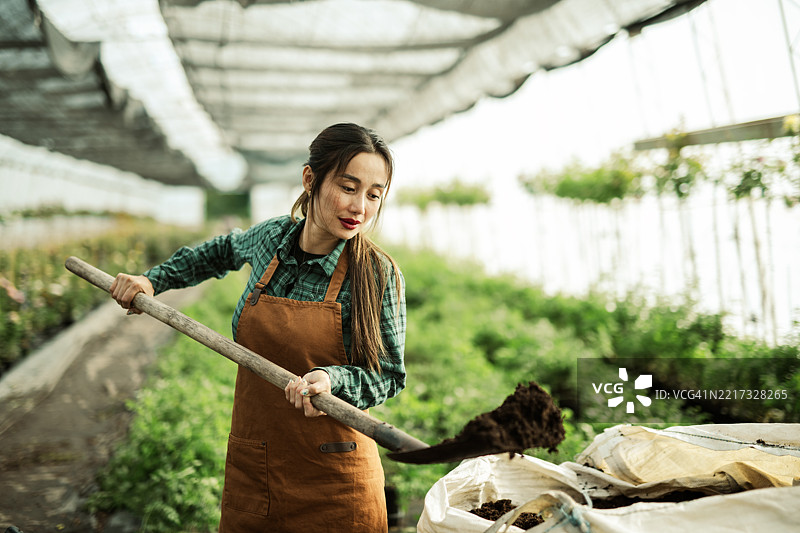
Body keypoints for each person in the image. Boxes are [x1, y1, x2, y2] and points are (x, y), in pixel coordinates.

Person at [109, 123, 406, 532]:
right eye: (348, 187)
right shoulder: (270, 239)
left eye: (374, 195)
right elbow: (217, 252)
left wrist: (331, 379)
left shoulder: (376, 273)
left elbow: (387, 376)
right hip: (258, 464)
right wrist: (153, 280)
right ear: (310, 179)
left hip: (336, 480)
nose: (360, 207)